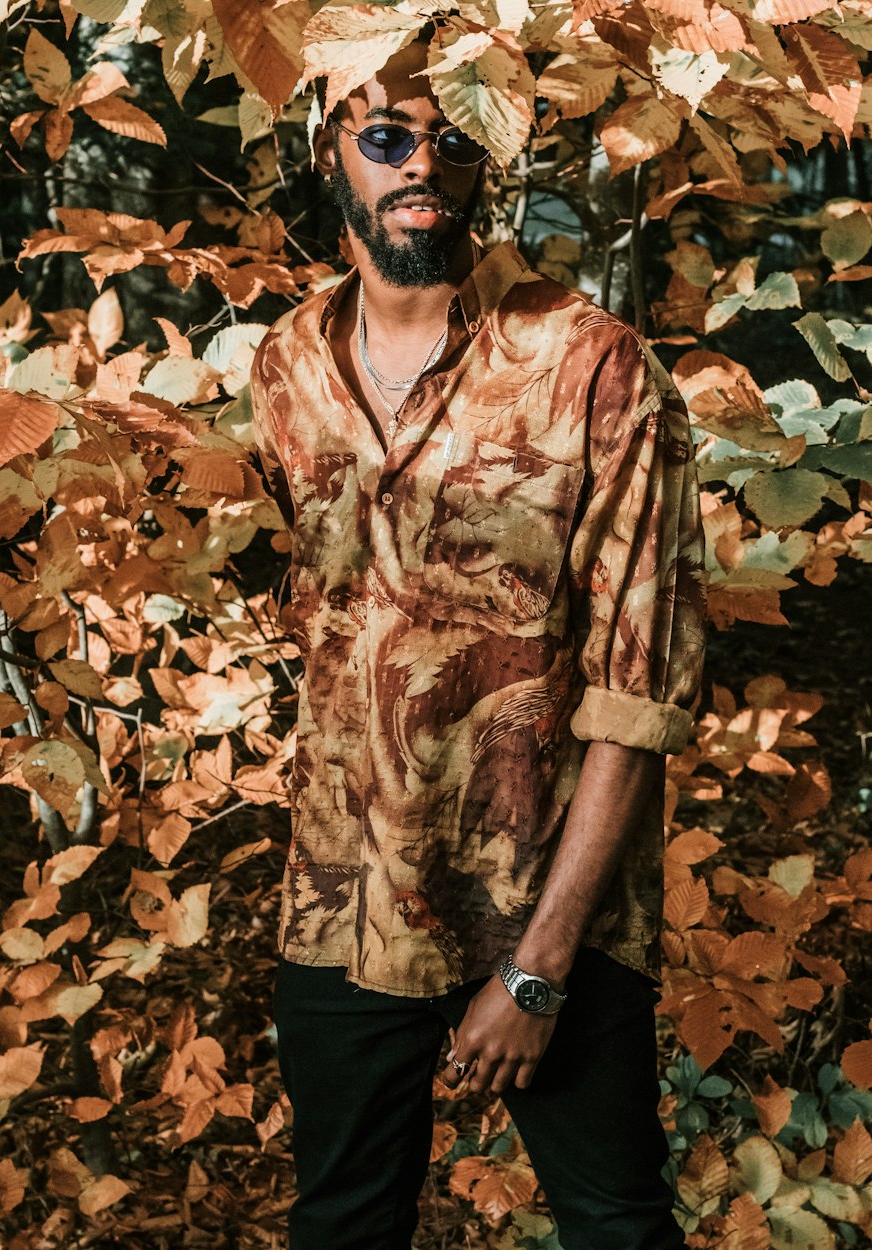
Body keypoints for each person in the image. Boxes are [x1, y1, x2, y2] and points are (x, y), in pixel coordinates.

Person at [249, 29, 706, 1250]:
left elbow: (638, 689)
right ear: (328, 151)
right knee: (340, 1223)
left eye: (452, 138)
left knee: (615, 1222)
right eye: (387, 135)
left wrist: (539, 967)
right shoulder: (285, 364)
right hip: (341, 900)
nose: (421, 165)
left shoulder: (592, 365)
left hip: (542, 903)